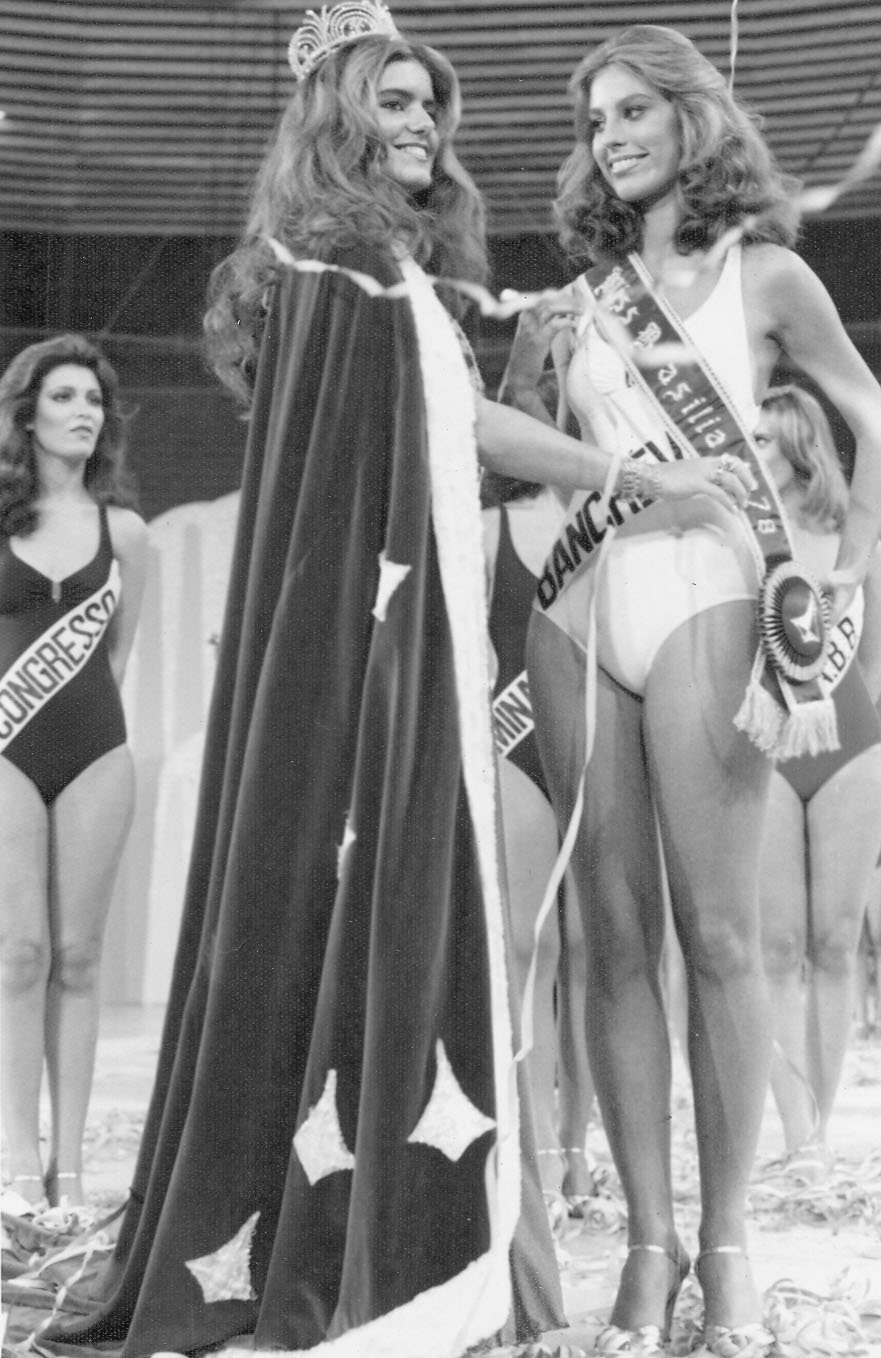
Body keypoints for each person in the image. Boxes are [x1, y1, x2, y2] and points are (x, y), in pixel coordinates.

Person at [42, 10, 737, 1357]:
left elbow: (453, 432)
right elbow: (446, 438)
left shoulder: (353, 271)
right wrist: (634, 475)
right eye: (399, 103)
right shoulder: (351, 273)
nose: (424, 125)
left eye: (431, 105)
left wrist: (623, 474)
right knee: (400, 906)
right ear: (343, 120)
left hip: (391, 650)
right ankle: (404, 1254)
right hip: (383, 659)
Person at [502, 23, 881, 1357]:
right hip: (577, 609)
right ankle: (646, 1245)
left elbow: (868, 411)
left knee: (717, 933)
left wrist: (845, 578)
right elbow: (523, 453)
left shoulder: (764, 274)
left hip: (712, 599)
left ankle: (726, 1250)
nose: (609, 135)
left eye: (631, 111)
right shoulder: (576, 300)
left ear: (690, 117)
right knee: (608, 936)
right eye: (594, 119)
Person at [0, 334, 147, 1210]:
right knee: (19, 954)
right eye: (63, 397)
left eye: (93, 399)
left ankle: (73, 1168)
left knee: (81, 957)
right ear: (27, 414)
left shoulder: (125, 532)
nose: (83, 412)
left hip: (96, 749)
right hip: (4, 750)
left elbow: (118, 658)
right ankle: (17, 1160)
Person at [755, 385, 881, 1178]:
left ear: (802, 449)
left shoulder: (851, 541)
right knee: (776, 946)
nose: (749, 454)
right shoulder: (737, 539)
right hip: (765, 746)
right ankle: (796, 1134)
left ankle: (821, 1131)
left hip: (852, 746)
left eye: (764, 441)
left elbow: (873, 663)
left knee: (836, 942)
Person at [482, 466, 597, 1220]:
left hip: (592, 741)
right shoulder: (484, 530)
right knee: (530, 948)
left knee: (594, 947)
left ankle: (578, 1141)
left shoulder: (606, 517)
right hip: (512, 739)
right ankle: (537, 1145)